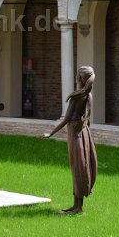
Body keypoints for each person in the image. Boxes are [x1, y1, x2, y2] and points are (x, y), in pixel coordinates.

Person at [44, 66, 97, 214]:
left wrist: (51, 133)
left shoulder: (76, 97)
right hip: (83, 133)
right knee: (81, 166)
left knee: (77, 167)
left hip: (74, 131)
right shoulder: (88, 95)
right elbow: (87, 117)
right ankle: (76, 205)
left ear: (80, 78)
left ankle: (78, 207)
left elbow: (66, 119)